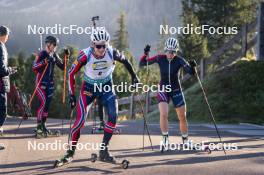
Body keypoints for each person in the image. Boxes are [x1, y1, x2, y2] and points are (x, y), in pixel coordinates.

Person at [56, 28, 139, 165]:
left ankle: (104, 150)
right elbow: (71, 73)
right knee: (81, 120)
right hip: (88, 89)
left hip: (106, 87)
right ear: (92, 44)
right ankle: (70, 153)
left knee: (113, 115)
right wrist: (71, 94)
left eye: (104, 45)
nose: (101, 49)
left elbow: (126, 61)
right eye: (98, 46)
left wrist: (134, 76)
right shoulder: (85, 55)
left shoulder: (112, 52)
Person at [139, 37, 197, 151]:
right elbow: (143, 63)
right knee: (164, 113)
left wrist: (193, 66)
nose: (170, 54)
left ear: (176, 51)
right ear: (165, 50)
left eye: (173, 52)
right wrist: (145, 53)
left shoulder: (180, 60)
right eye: (168, 51)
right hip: (163, 89)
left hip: (176, 89)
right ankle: (165, 139)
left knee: (182, 116)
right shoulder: (160, 58)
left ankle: (185, 140)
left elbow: (191, 73)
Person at [32, 36, 66, 138]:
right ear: (48, 44)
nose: (55, 47)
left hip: (50, 83)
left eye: (56, 45)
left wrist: (66, 57)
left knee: (47, 105)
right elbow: (34, 67)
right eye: (54, 45)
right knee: (42, 103)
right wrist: (45, 61)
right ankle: (38, 126)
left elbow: (63, 67)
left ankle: (43, 125)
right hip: (40, 82)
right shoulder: (41, 54)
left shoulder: (54, 55)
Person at [0, 25, 17, 139]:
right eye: (7, 35)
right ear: (4, 35)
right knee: (2, 112)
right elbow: (1, 69)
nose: (8, 37)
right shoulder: (1, 47)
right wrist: (10, 70)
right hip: (0, 84)